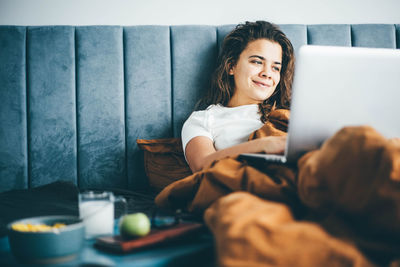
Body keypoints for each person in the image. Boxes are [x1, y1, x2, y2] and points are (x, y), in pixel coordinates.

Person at [182, 21, 295, 173]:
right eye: (257, 61)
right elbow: (202, 166)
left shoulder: (289, 115)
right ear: (231, 66)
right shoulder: (203, 120)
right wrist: (263, 145)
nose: (267, 73)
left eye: (275, 68)